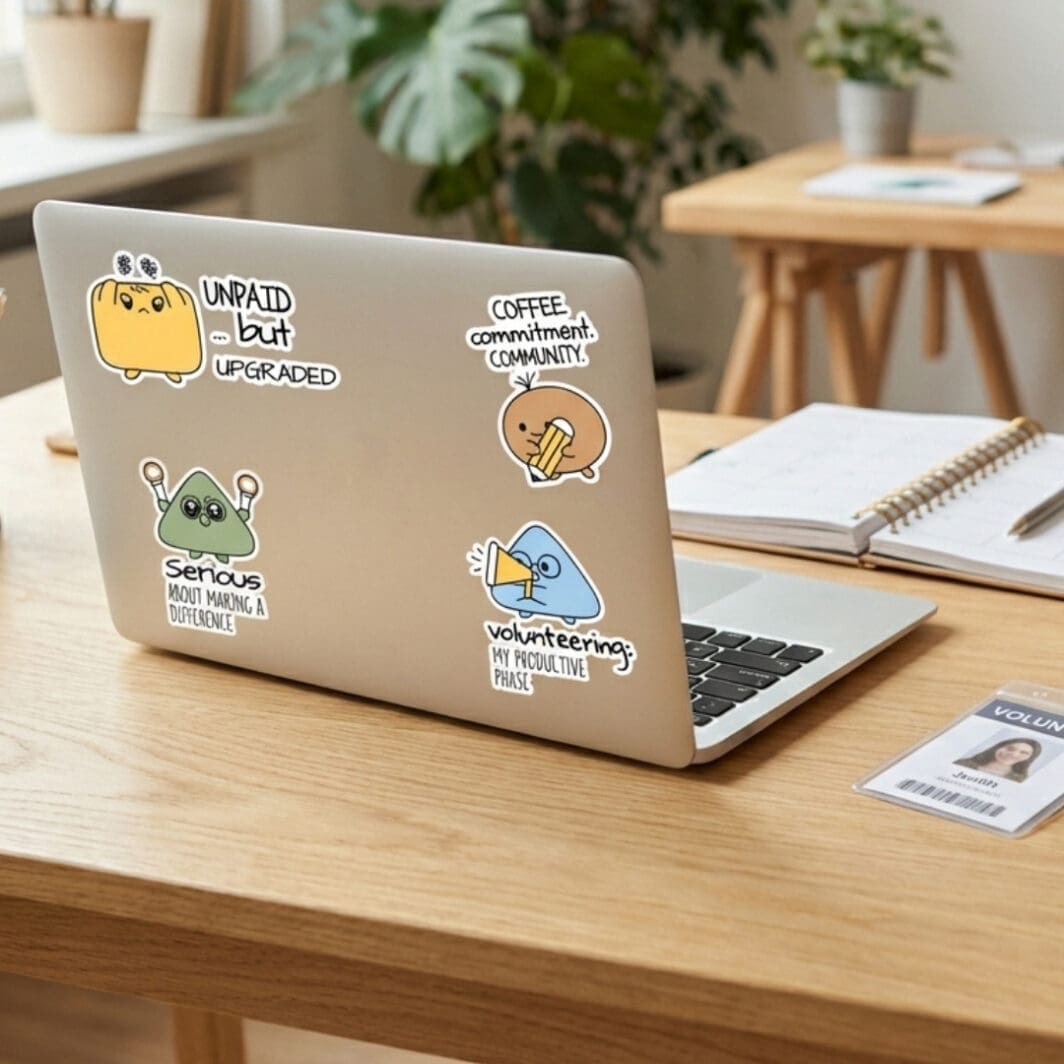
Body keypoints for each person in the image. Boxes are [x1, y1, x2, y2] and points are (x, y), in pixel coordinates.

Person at [955, 737, 1042, 782]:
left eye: (1024, 753)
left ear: (1029, 758)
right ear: (998, 747)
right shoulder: (962, 763)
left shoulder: (1020, 780)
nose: (1014, 754)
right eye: (1010, 748)